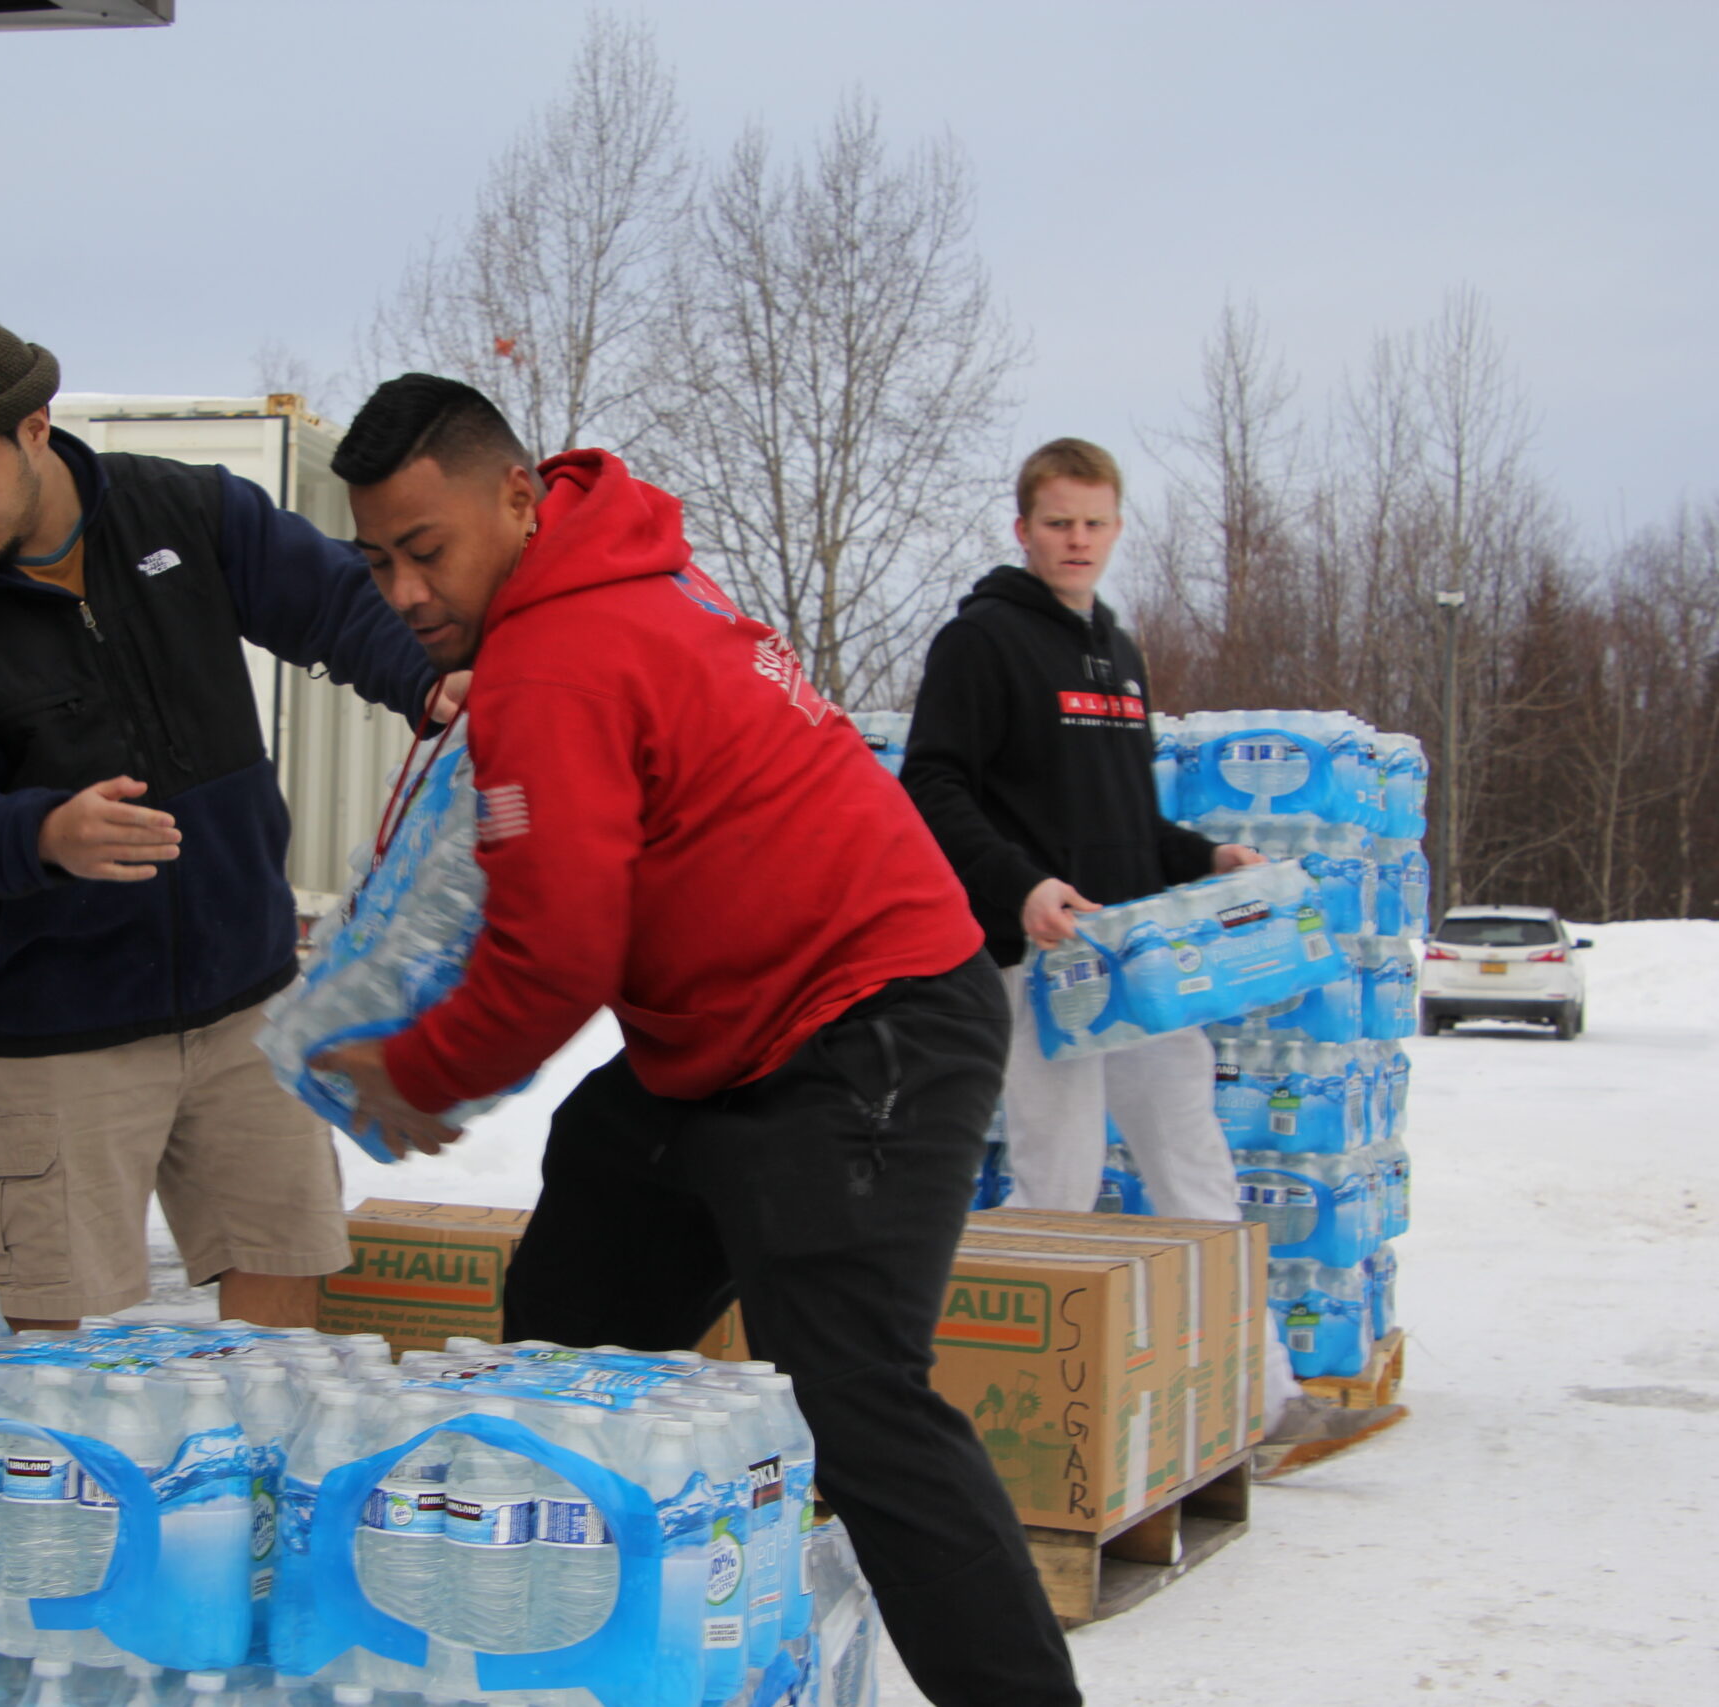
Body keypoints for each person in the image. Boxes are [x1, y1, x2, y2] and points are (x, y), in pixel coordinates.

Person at [309, 375, 1079, 1707]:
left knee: (863, 1404)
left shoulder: (559, 654)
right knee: (570, 1323)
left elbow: (557, 954)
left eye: (425, 552)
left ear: (517, 494)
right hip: (718, 1043)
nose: (404, 590)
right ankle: (579, 1645)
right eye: (377, 560)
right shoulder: (612, 571)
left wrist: (415, 1068)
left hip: (867, 1024)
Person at [0, 318, 441, 1331]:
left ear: (35, 427)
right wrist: (40, 833)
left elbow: (341, 604)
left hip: (243, 998)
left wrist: (432, 685)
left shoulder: (187, 508)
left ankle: (257, 1484)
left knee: (281, 1289)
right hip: (54, 1030)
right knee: (53, 1335)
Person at [898, 435, 1401, 1475]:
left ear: (1117, 528)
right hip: (1042, 960)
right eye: (1056, 523)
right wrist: (1022, 887)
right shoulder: (982, 643)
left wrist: (1203, 854)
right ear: (1021, 528)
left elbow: (1123, 818)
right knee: (1059, 1182)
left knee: (1193, 1172)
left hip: (1139, 963)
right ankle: (1008, 1420)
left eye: (1092, 523)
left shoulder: (1114, 653)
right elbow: (934, 790)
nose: (1076, 541)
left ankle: (1261, 1408)